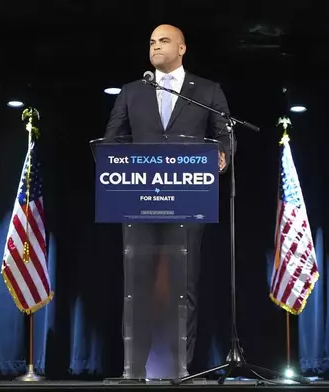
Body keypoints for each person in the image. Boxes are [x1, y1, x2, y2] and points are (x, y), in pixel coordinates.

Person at [104, 24, 234, 379]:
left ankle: (179, 368)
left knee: (183, 285)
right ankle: (135, 369)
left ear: (182, 49)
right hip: (138, 200)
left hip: (189, 199)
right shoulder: (131, 92)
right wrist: (127, 168)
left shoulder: (206, 90)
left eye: (163, 41)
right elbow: (112, 141)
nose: (155, 46)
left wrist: (221, 156)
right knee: (138, 286)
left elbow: (225, 136)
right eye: (151, 42)